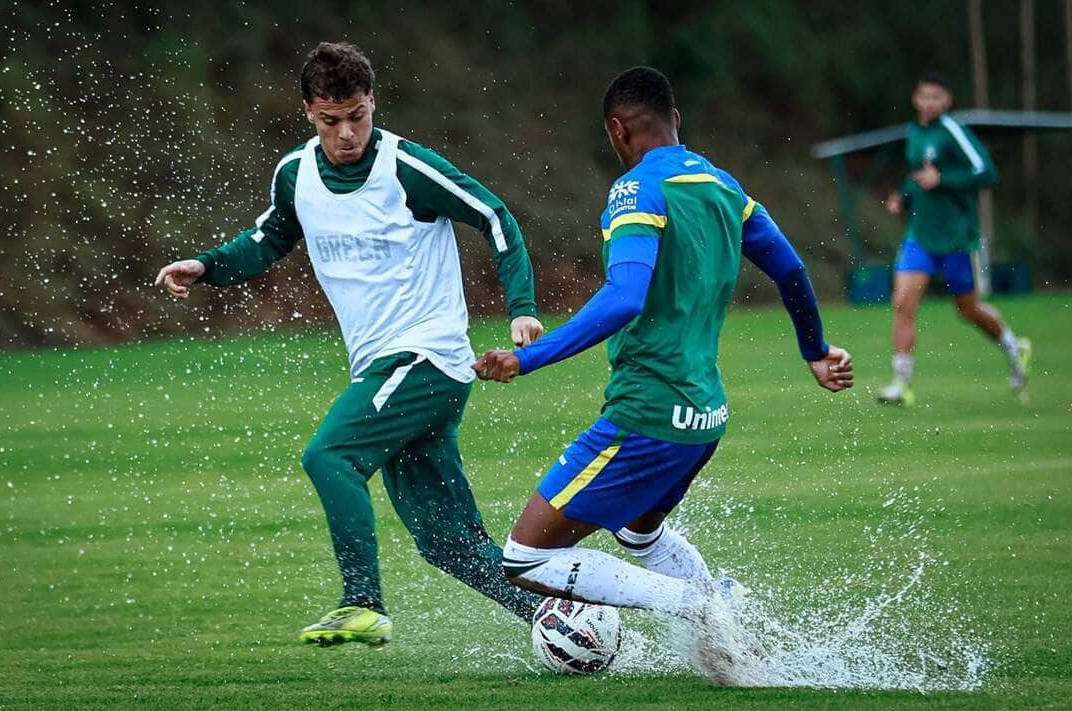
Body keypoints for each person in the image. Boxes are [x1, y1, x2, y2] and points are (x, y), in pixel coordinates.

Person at [155, 41, 545, 646]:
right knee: (446, 542)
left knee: (329, 456)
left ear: (372, 104)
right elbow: (268, 239)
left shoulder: (407, 168)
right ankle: (563, 616)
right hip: (389, 368)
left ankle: (361, 600)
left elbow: (495, 217)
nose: (346, 133)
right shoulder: (295, 174)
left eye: (357, 116)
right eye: (330, 119)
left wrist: (521, 309)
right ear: (308, 111)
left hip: (427, 357)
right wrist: (205, 267)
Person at [472, 66, 852, 674]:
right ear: (675, 119)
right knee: (638, 535)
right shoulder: (725, 187)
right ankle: (732, 651)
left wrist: (525, 357)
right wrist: (815, 349)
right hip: (704, 417)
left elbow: (626, 297)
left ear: (617, 129)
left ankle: (702, 603)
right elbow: (792, 270)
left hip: (646, 414)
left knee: (522, 560)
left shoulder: (634, 190)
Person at [879, 71, 1030, 406]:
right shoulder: (914, 132)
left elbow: (987, 172)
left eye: (937, 97)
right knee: (903, 303)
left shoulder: (953, 131)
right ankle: (900, 384)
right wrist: (902, 197)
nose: (930, 102)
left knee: (968, 310)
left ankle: (1012, 346)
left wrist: (944, 178)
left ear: (947, 101)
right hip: (920, 235)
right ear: (915, 99)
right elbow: (917, 175)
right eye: (924, 96)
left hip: (956, 239)